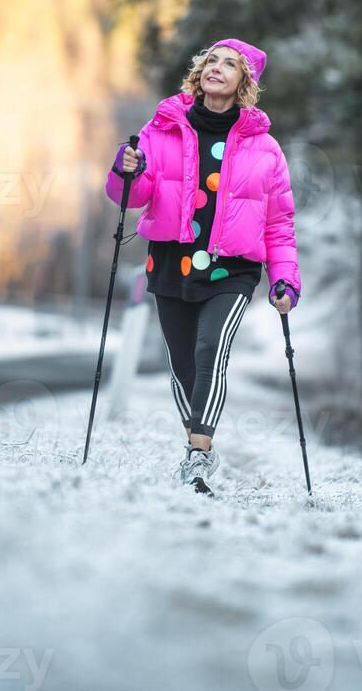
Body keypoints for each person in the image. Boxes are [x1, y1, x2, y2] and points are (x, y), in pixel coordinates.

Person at [105, 38, 301, 495]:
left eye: (229, 64)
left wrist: (286, 279)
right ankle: (198, 442)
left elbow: (280, 224)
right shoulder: (162, 128)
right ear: (200, 71)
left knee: (209, 349)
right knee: (182, 364)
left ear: (244, 82)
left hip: (232, 271)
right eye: (211, 60)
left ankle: (197, 455)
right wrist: (125, 170)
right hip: (171, 262)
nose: (217, 68)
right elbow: (133, 197)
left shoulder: (266, 148)